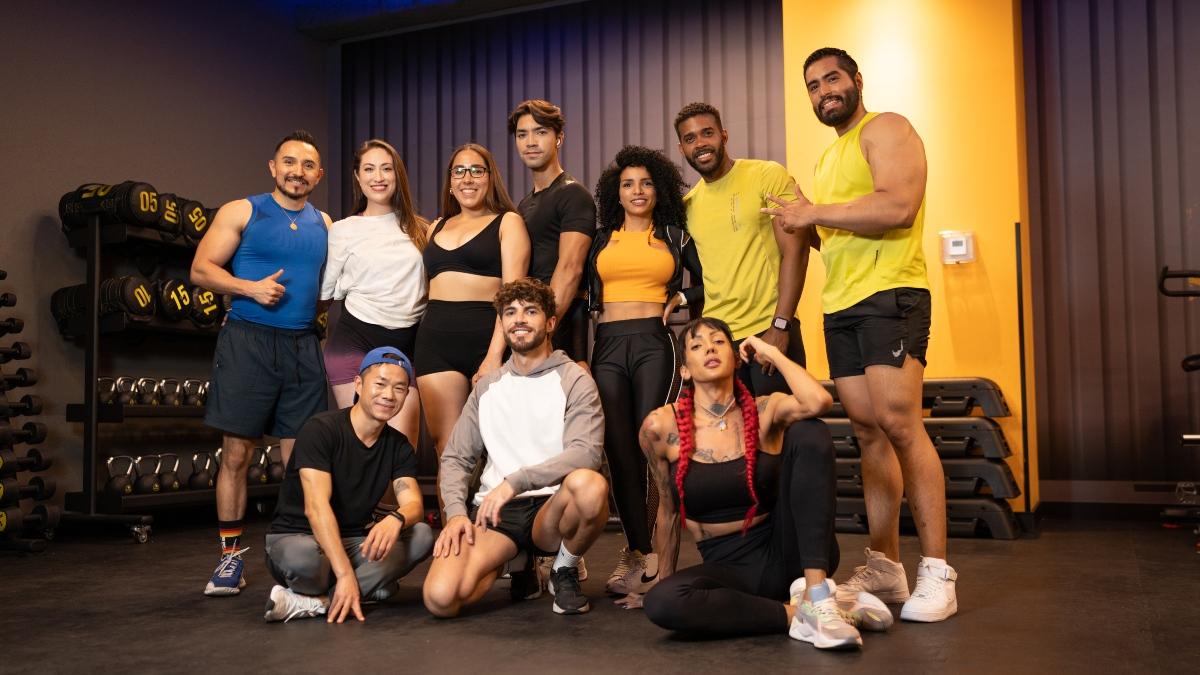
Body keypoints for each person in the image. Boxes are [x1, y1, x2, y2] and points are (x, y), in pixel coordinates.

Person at [761, 47, 955, 623]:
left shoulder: (886, 128)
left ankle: (938, 572)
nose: (825, 91)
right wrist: (798, 221)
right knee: (869, 432)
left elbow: (897, 207)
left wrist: (814, 212)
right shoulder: (829, 159)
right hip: (842, 304)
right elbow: (842, 232)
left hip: (890, 294)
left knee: (900, 423)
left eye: (833, 79)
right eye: (814, 86)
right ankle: (888, 568)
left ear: (856, 80)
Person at [637, 318, 892, 649]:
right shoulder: (660, 427)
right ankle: (801, 613)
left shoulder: (765, 409)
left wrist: (771, 349)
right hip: (727, 567)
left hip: (793, 551)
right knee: (662, 603)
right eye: (697, 346)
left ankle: (816, 592)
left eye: (719, 342)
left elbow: (818, 401)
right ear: (685, 369)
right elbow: (668, 512)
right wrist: (664, 582)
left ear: (736, 355)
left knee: (808, 429)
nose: (710, 349)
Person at [191, 130, 332, 596]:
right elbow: (200, 270)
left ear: (319, 174)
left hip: (302, 346)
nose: (298, 171)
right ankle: (230, 559)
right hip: (248, 341)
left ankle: (294, 554)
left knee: (301, 461)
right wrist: (249, 288)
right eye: (288, 162)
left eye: (308, 165)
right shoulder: (243, 210)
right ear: (272, 167)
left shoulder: (325, 224)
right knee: (237, 453)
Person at [422, 278, 607, 617]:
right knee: (440, 599)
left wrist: (516, 481)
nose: (519, 319)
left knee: (590, 486)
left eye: (530, 311)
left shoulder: (574, 380)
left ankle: (563, 568)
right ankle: (518, 562)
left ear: (550, 323)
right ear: (503, 323)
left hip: (553, 509)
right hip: (497, 514)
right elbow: (455, 458)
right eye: (510, 312)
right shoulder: (488, 387)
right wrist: (456, 514)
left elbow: (586, 453)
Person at [585, 145, 702, 598]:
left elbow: (705, 283)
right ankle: (638, 554)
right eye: (628, 184)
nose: (637, 191)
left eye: (646, 182)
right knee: (617, 449)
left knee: (651, 442)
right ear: (616, 193)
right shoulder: (601, 239)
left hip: (655, 343)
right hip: (608, 345)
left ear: (660, 189)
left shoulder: (674, 236)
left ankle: (661, 551)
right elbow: (582, 298)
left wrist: (684, 301)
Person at [263, 347, 434, 623]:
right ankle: (360, 585)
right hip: (299, 538)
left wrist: (396, 518)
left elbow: (413, 502)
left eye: (399, 388)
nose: (389, 395)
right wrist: (344, 573)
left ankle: (315, 602)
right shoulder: (321, 429)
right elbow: (316, 509)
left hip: (352, 540)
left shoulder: (398, 445)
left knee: (421, 535)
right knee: (303, 558)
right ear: (358, 384)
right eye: (380, 384)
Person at [673, 102, 809, 395]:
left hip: (768, 328)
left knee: (781, 435)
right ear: (681, 148)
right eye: (690, 138)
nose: (700, 144)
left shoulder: (766, 175)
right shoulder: (688, 206)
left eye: (707, 133)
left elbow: (796, 252)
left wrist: (781, 325)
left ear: (723, 135)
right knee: (732, 438)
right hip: (719, 342)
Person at [415, 143, 530, 466]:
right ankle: (454, 518)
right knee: (449, 449)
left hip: (487, 340)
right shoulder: (435, 227)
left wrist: (495, 354)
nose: (468, 178)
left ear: (490, 178)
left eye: (477, 170)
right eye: (459, 171)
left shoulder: (508, 222)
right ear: (450, 183)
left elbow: (513, 293)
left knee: (499, 448)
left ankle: (493, 518)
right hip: (436, 342)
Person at [320, 139, 427, 443]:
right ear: (358, 177)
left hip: (405, 344)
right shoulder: (343, 230)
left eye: (386, 168)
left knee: (402, 450)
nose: (377, 177)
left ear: (398, 175)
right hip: (354, 342)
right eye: (369, 169)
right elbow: (325, 295)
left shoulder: (421, 230)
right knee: (363, 448)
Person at [509, 99, 597, 363]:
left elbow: (571, 269)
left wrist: (545, 330)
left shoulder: (573, 195)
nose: (531, 142)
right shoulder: (525, 204)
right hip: (530, 325)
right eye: (522, 134)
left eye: (541, 132)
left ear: (559, 138)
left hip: (557, 329)